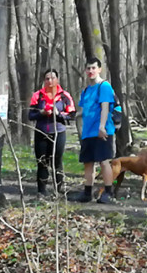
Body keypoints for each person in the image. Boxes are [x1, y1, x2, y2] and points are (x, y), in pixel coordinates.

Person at [28, 69, 75, 197]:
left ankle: (58, 190)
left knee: (56, 161)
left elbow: (71, 115)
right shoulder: (38, 95)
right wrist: (41, 113)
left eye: (53, 78)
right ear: (44, 80)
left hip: (58, 132)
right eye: (47, 78)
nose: (50, 81)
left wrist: (58, 114)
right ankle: (41, 191)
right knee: (42, 162)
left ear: (57, 79)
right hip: (41, 132)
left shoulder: (65, 96)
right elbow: (30, 115)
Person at [77, 57, 116, 204]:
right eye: (88, 68)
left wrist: (102, 126)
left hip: (102, 131)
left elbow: (105, 107)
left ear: (99, 69)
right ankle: (87, 193)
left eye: (94, 68)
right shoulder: (86, 90)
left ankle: (108, 192)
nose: (91, 71)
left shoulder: (104, 86)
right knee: (88, 162)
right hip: (88, 132)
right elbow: (84, 110)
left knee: (104, 161)